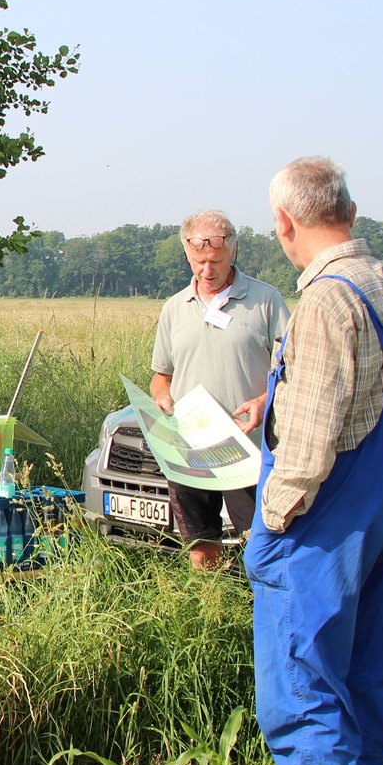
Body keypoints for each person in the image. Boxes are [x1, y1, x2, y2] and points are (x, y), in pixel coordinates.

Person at [234, 157, 383, 765]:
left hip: (322, 509)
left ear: (286, 223)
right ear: (349, 208)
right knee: (367, 668)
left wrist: (274, 522)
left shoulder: (319, 301)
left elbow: (309, 435)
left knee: (303, 672)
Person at [150, 210, 290, 569]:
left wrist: (263, 401)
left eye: (216, 261)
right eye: (199, 262)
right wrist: (161, 397)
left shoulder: (266, 301)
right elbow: (161, 376)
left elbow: (292, 371)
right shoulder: (174, 309)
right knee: (201, 542)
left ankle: (261, 607)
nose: (207, 270)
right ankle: (212, 605)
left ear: (233, 251)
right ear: (187, 254)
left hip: (247, 448)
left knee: (262, 541)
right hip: (191, 448)